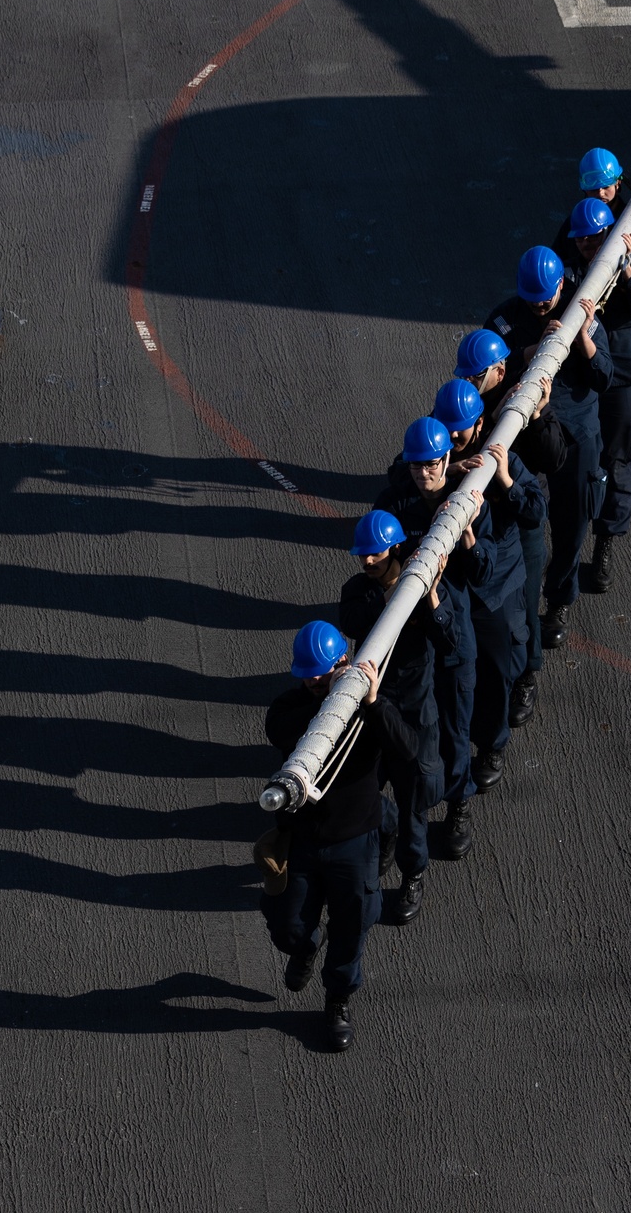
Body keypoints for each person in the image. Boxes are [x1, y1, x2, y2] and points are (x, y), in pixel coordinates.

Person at [262, 623, 418, 1052]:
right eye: (306, 674)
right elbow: (277, 728)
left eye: (320, 673)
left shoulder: (372, 710)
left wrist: (369, 703)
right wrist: (328, 707)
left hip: (354, 838)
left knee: (354, 926)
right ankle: (307, 946)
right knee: (286, 927)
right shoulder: (293, 707)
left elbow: (408, 750)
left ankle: (338, 1000)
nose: (311, 681)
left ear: (343, 664)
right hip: (305, 841)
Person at [374, 418, 494, 861]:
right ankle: (413, 810)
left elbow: (483, 572)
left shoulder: (465, 500)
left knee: (455, 730)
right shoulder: (395, 500)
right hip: (411, 647)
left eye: (431, 465)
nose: (423, 473)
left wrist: (466, 531)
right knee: (410, 739)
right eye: (416, 465)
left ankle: (459, 802)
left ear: (447, 460)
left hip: (453, 638)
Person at [486, 247, 613, 650]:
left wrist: (583, 340)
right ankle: (521, 605)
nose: (539, 306)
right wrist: (529, 353)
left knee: (572, 522)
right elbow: (485, 377)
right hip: (526, 438)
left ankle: (558, 599)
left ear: (561, 284)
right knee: (522, 526)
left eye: (546, 298)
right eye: (532, 299)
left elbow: (605, 376)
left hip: (575, 435)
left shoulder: (582, 311)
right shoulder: (507, 319)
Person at [338, 511, 455, 923]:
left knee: (413, 805)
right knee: (358, 789)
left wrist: (434, 596)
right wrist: (392, 601)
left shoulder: (424, 588)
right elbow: (351, 620)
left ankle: (412, 875)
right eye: (363, 555)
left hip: (411, 714)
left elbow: (449, 642)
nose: (367, 562)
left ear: (395, 549)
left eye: (374, 554)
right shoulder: (359, 590)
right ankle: (384, 835)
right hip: (370, 712)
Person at [436, 382, 548, 789]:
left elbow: (536, 511)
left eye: (459, 431)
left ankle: (492, 745)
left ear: (480, 424)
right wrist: (446, 472)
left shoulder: (504, 460)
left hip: (497, 590)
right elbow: (401, 475)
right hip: (457, 593)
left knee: (499, 672)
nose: (451, 438)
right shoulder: (435, 460)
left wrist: (504, 480)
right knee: (456, 676)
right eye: (446, 429)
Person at [454, 332, 567, 723]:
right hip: (482, 531)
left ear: (498, 371)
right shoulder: (461, 403)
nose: (468, 384)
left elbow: (553, 460)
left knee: (524, 604)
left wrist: (537, 417)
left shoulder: (524, 393)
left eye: (475, 377)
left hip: (518, 524)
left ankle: (527, 673)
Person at [564, 198, 631, 590]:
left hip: (620, 382)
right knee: (578, 462)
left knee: (619, 462)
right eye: (582, 239)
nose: (588, 244)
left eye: (594, 237)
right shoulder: (570, 274)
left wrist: (626, 271)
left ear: (609, 235)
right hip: (584, 382)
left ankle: (604, 544)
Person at [575, 147, 631, 504]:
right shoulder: (578, 222)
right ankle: (609, 468)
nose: (600, 194)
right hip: (599, 328)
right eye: (593, 189)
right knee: (601, 402)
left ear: (618, 184)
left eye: (605, 188)